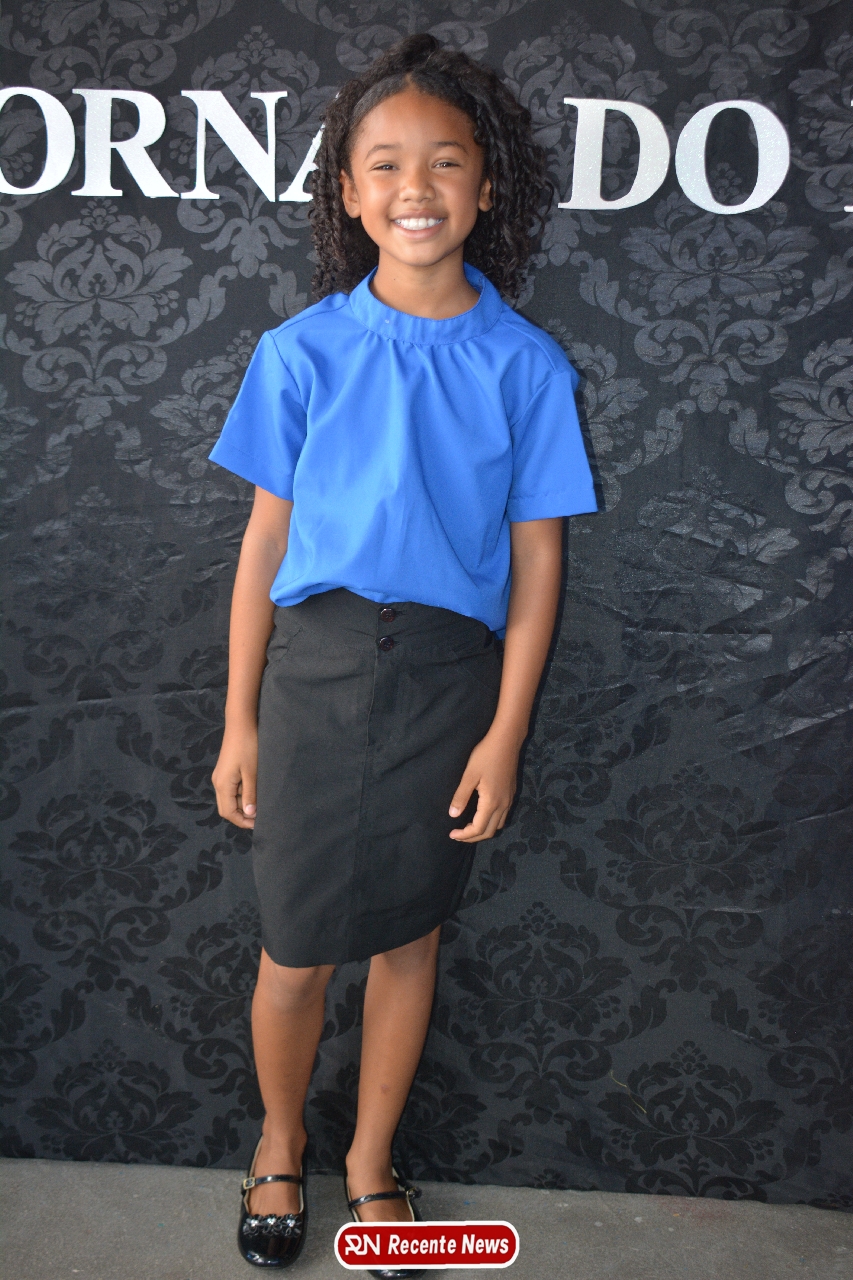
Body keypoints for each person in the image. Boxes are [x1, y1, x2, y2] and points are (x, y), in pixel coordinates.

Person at [209, 31, 597, 1275]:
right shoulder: (300, 353)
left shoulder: (526, 366)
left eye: (444, 161)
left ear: (486, 187)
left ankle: (371, 1159)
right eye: (384, 163)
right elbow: (263, 545)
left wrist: (504, 734)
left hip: (446, 683)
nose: (414, 186)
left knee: (407, 941)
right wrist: (239, 718)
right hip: (313, 675)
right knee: (291, 947)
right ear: (347, 191)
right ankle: (280, 1141)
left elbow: (538, 567)